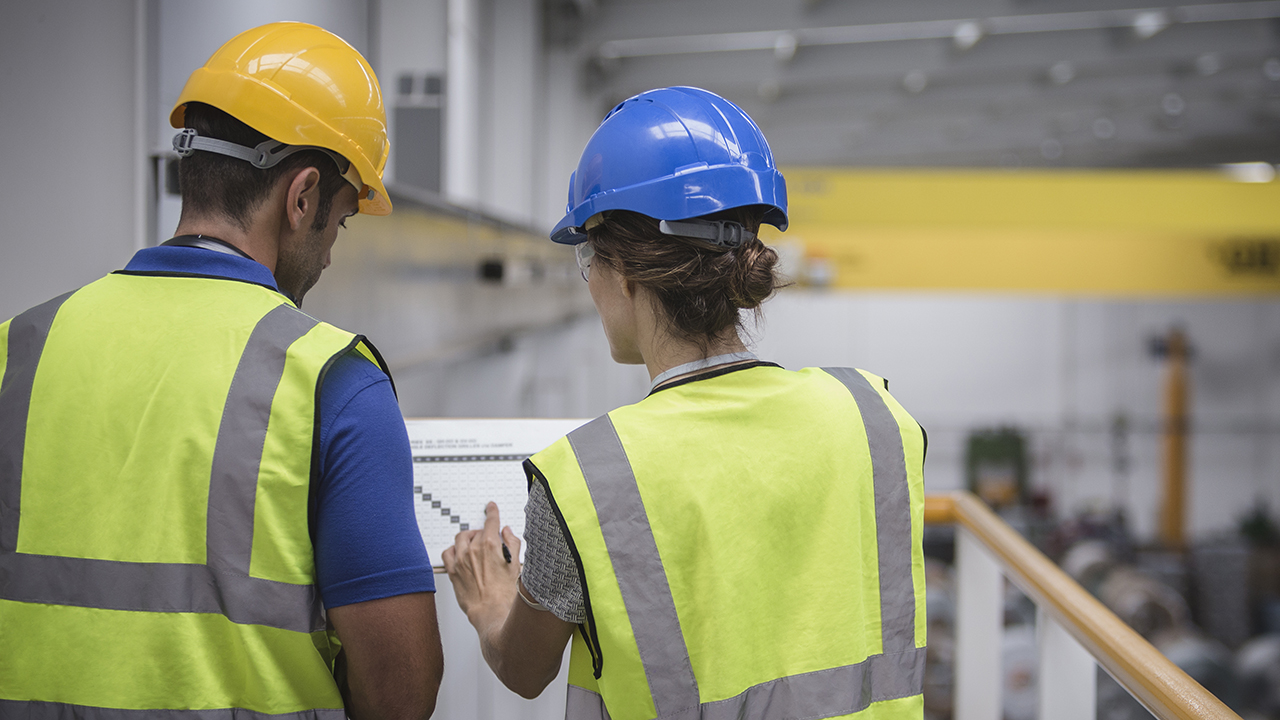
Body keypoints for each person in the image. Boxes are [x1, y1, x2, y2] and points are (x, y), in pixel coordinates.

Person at [0, 22, 442, 720]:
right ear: (301, 199)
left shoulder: (17, 349)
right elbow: (400, 690)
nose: (328, 253)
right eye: (338, 224)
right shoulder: (331, 381)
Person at [443, 86, 927, 720]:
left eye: (587, 256)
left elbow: (525, 669)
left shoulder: (587, 480)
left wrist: (487, 601)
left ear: (623, 272)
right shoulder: (872, 415)